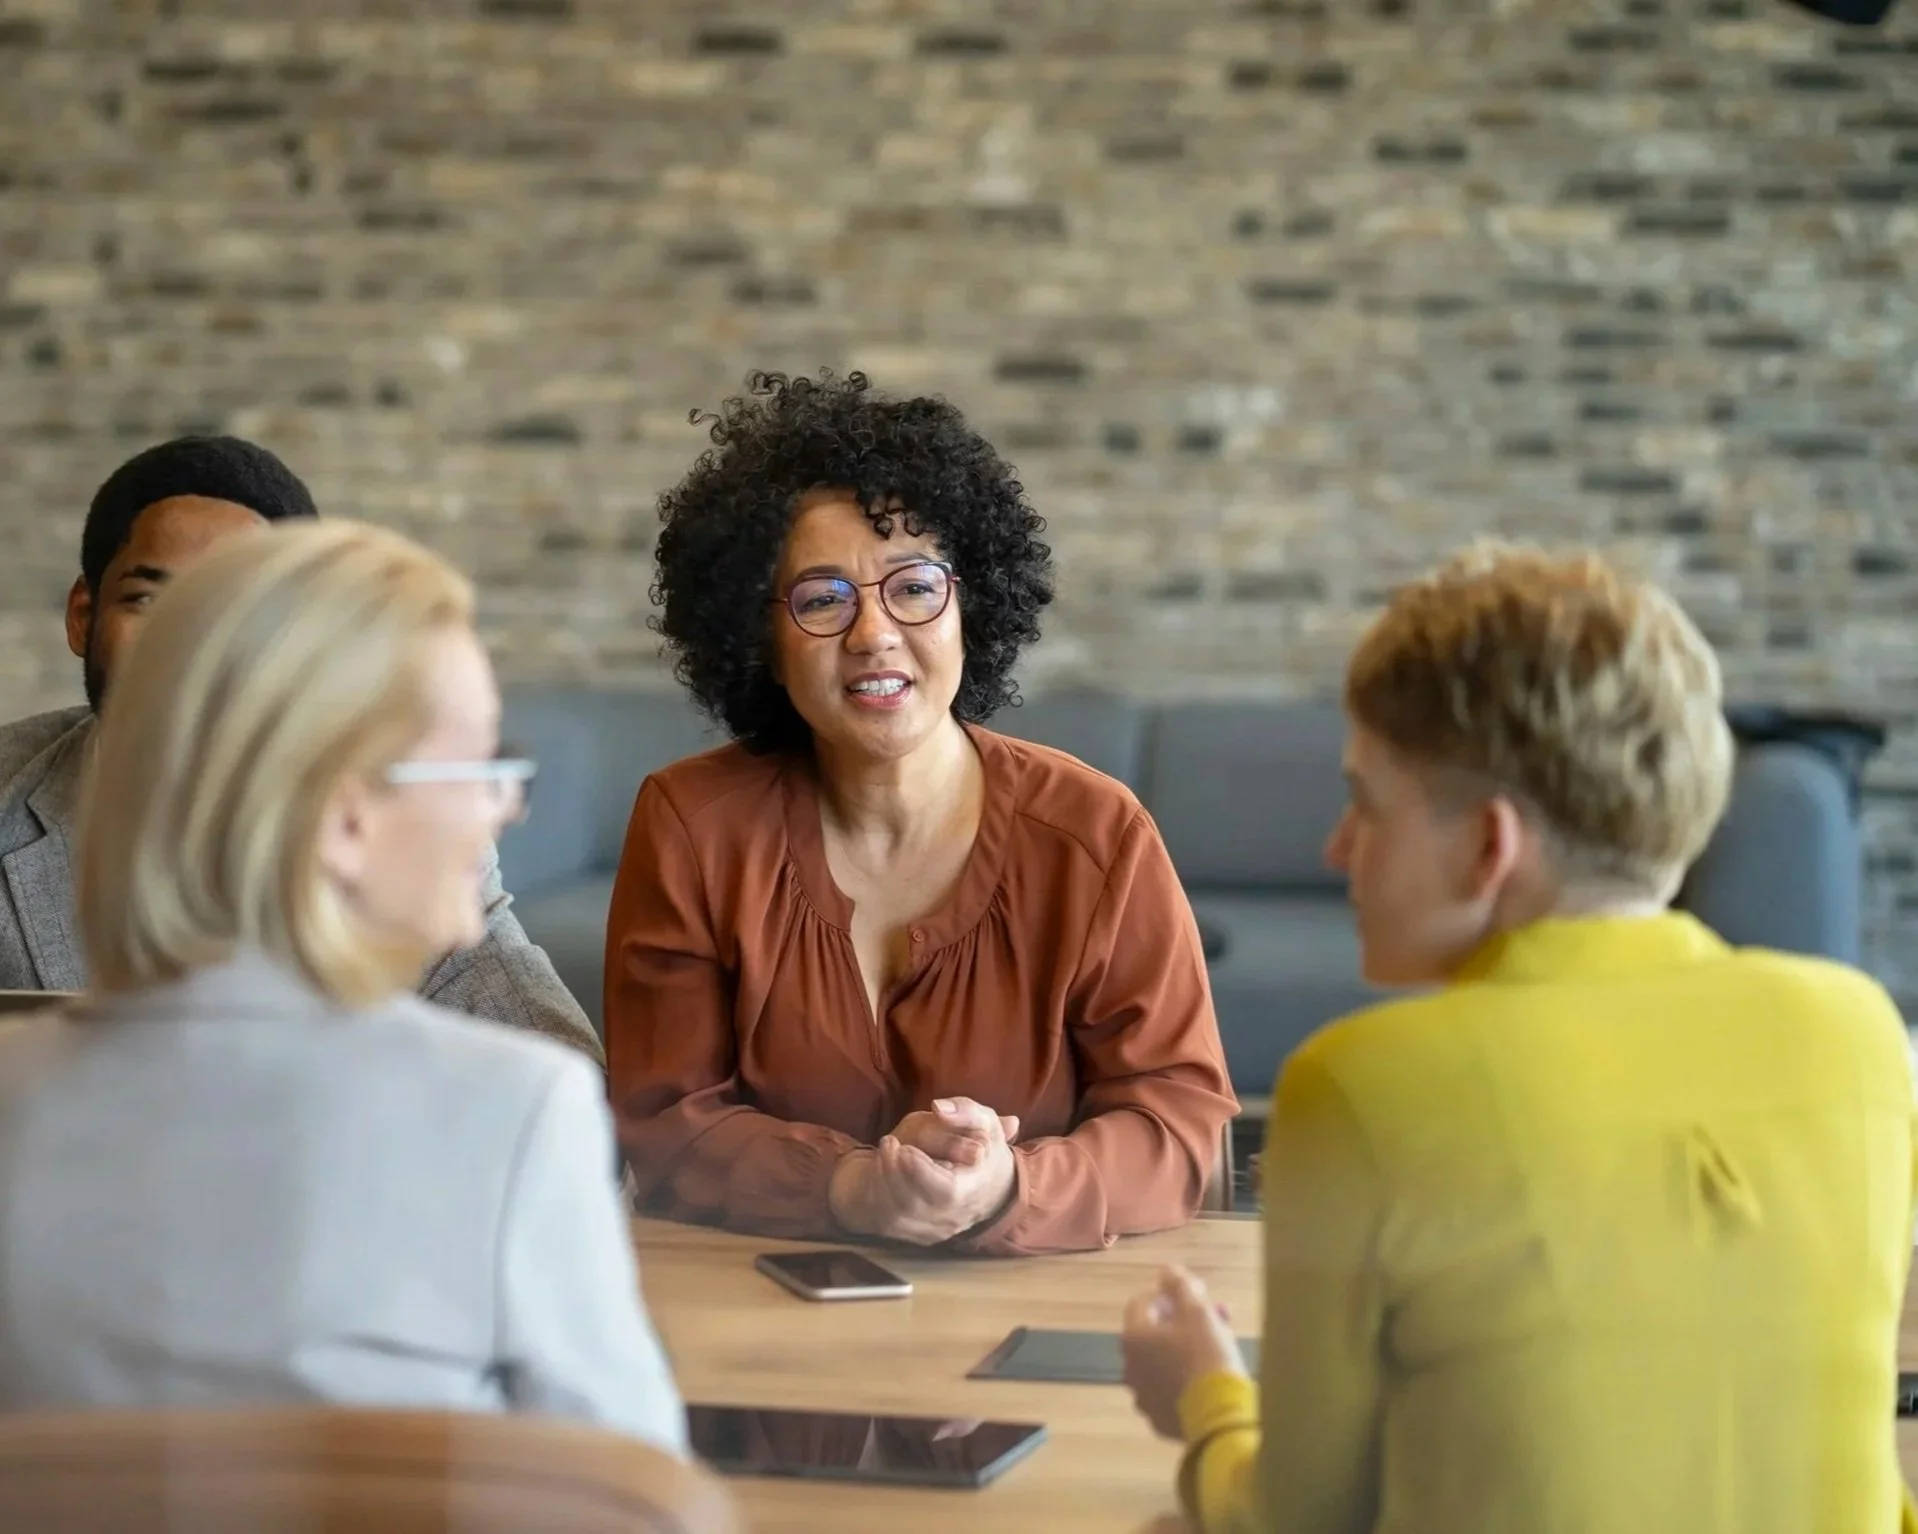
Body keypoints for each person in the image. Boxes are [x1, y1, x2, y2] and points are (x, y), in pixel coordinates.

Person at [1119, 544, 1915, 1533]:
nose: (1335, 848)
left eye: (1364, 801)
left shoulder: (1362, 1086)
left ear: (1491, 845)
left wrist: (1206, 1396)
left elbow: (1298, 1519)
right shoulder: (1864, 1034)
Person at [0, 519, 686, 1453]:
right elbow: (632, 1497)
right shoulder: (515, 1117)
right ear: (348, 817)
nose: (507, 804)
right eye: (480, 764)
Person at [606, 370, 1236, 1256]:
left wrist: (1010, 1187)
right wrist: (849, 1187)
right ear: (761, 641)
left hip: (1034, 1321)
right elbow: (664, 1122)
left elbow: (1182, 1129)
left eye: (913, 586)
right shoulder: (689, 825)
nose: (873, 634)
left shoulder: (1098, 834)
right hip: (758, 1318)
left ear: (969, 601)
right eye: (823, 599)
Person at [0, 435, 600, 1062]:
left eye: (237, 615)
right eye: (151, 601)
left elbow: (561, 1073)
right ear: (82, 616)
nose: (191, 652)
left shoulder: (396, 817)